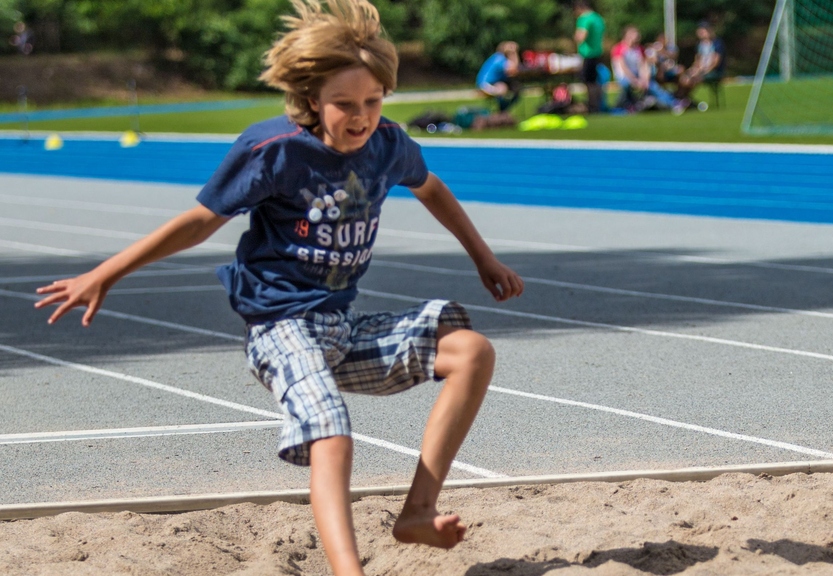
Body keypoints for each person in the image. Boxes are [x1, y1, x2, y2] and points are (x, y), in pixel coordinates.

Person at [33, 1, 524, 575]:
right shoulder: (274, 151)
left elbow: (430, 185)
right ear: (311, 98)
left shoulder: (388, 145)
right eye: (345, 104)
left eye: (373, 101)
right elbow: (199, 221)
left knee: (471, 351)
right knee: (332, 430)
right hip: (280, 327)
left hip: (342, 327)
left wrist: (483, 257)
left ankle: (417, 511)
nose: (361, 116)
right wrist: (104, 272)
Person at [610, 26, 684, 114]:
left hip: (638, 76)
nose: (637, 36)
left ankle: (673, 103)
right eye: (634, 33)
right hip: (625, 77)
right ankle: (625, 106)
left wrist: (644, 79)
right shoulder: (619, 48)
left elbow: (643, 65)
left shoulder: (639, 49)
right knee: (626, 85)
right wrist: (634, 80)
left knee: (652, 86)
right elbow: (623, 67)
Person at [677, 21, 725, 102]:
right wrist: (693, 69)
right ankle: (681, 98)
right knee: (683, 78)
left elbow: (715, 62)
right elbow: (697, 61)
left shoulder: (717, 44)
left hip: (713, 72)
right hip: (701, 70)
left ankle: (683, 99)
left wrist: (702, 72)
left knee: (692, 80)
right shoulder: (700, 45)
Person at [573, 0, 605, 114]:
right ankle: (598, 104)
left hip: (588, 54)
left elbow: (581, 36)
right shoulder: (598, 18)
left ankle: (592, 106)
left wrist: (576, 37)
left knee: (589, 81)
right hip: (598, 53)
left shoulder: (584, 19)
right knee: (595, 81)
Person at [476, 41, 521, 113]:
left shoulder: (497, 57)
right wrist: (513, 53)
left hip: (487, 84)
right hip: (486, 86)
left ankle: (502, 111)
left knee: (515, 88)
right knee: (502, 88)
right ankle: (502, 111)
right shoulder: (500, 59)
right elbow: (513, 69)